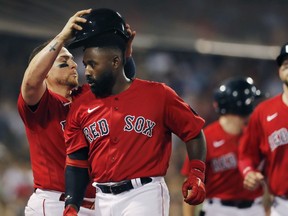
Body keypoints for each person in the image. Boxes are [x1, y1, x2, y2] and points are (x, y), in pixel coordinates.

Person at [62, 8, 207, 216]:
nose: (87, 72)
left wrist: (196, 173)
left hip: (144, 193)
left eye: (93, 65)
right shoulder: (81, 104)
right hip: (102, 199)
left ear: (115, 62)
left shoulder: (158, 94)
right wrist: (71, 206)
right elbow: (76, 162)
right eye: (85, 65)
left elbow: (194, 132)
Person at [17, 8, 136, 216]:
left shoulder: (86, 97)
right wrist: (62, 37)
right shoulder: (42, 104)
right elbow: (30, 82)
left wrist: (123, 50)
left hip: (96, 203)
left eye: (72, 59)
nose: (72, 64)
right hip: (55, 203)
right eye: (63, 61)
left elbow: (122, 80)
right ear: (45, 73)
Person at [181, 77, 266, 216]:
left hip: (255, 209)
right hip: (218, 210)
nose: (255, 108)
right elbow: (191, 186)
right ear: (242, 106)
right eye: (252, 102)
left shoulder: (258, 134)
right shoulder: (206, 138)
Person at [238, 42, 288, 216]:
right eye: (285, 63)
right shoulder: (264, 112)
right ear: (279, 70)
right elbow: (246, 154)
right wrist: (249, 172)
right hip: (282, 206)